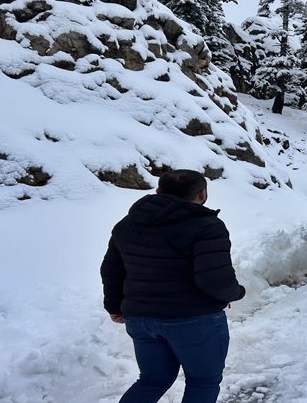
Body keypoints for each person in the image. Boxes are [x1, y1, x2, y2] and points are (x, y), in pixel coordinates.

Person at [101, 169, 246, 402]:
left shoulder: (128, 223)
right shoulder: (207, 226)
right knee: (203, 382)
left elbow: (111, 269)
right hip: (194, 319)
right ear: (202, 194)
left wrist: (114, 306)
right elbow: (213, 279)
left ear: (158, 191)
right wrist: (236, 293)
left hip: (140, 319)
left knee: (152, 380)